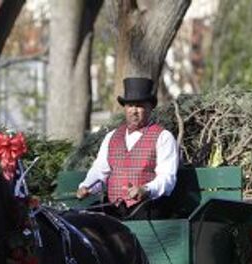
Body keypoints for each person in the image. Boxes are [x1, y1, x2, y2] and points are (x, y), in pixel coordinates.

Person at [76, 77, 178, 220]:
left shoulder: (163, 137)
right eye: (130, 106)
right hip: (114, 206)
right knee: (88, 221)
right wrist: (87, 187)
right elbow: (100, 170)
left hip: (148, 205)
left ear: (150, 107)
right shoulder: (112, 137)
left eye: (139, 105)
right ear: (124, 108)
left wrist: (146, 189)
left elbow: (167, 178)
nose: (134, 111)